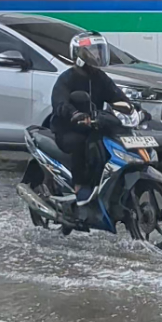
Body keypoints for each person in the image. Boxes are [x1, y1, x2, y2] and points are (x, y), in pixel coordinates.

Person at [50, 32, 129, 203]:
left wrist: (134, 110)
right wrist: (75, 114)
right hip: (68, 128)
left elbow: (117, 96)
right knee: (81, 144)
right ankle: (79, 187)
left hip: (95, 125)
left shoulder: (100, 77)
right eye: (93, 51)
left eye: (99, 51)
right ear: (80, 54)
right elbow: (60, 103)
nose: (97, 55)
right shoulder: (67, 79)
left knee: (112, 142)